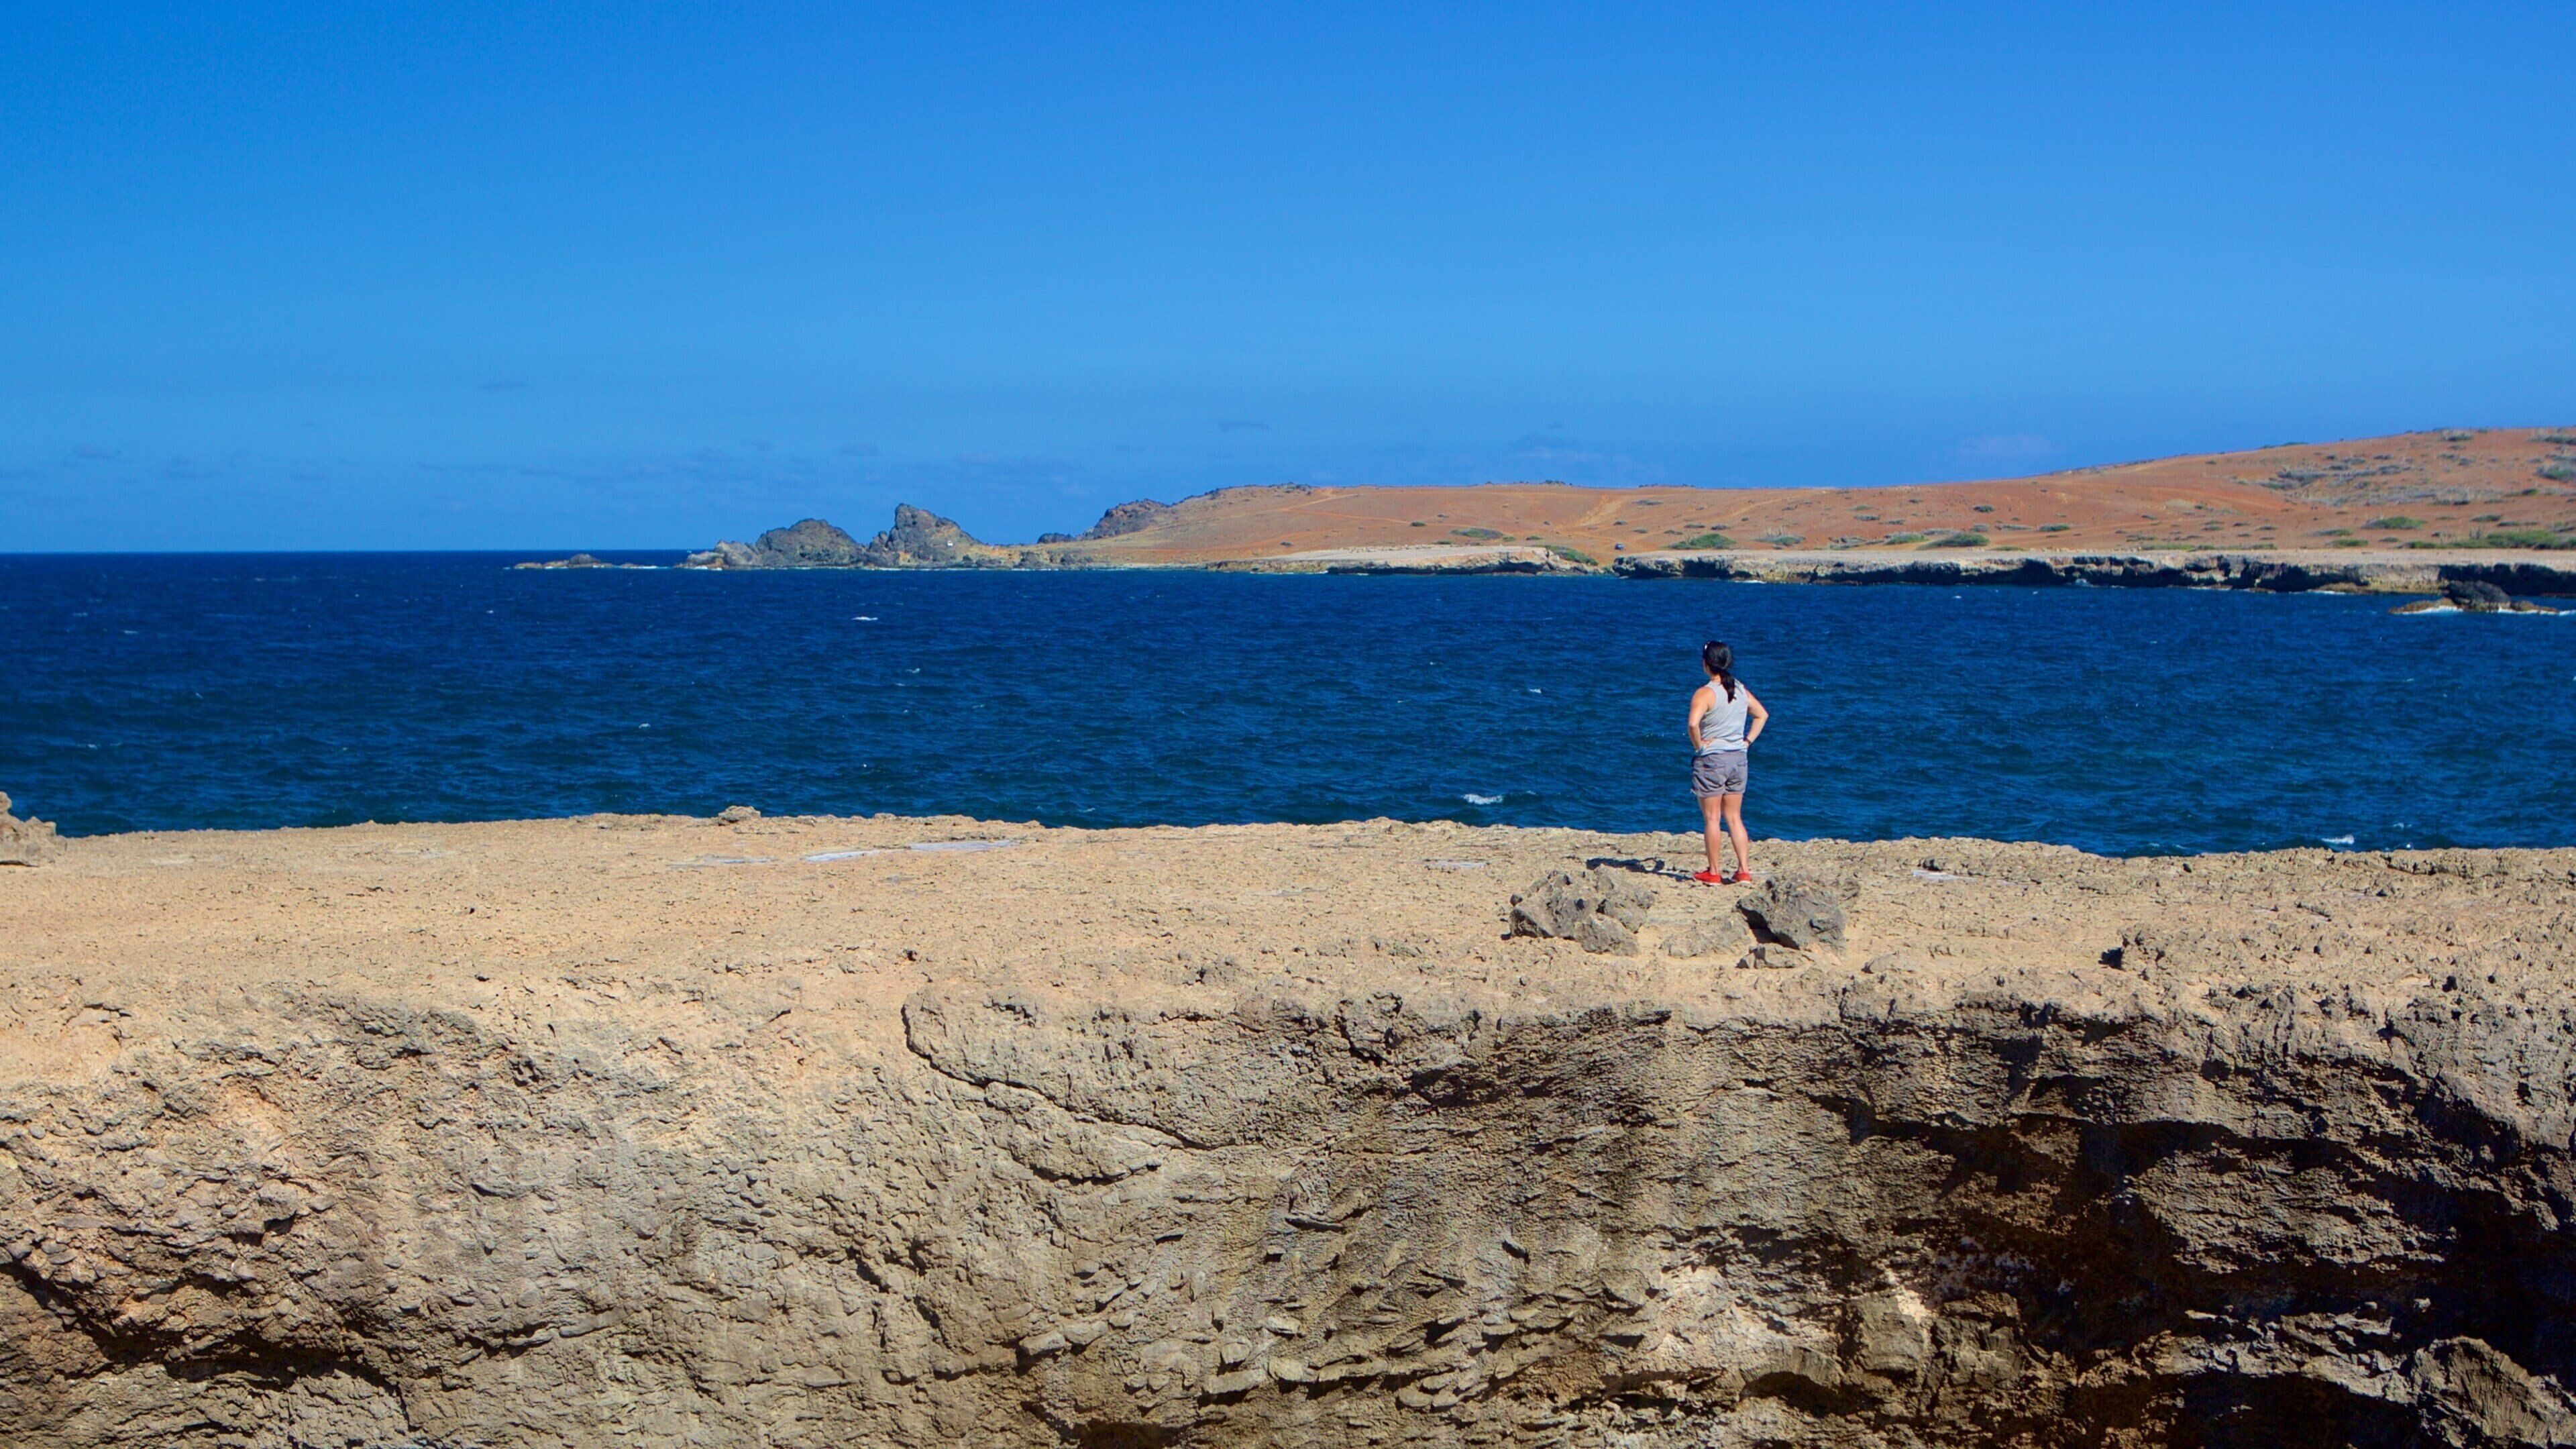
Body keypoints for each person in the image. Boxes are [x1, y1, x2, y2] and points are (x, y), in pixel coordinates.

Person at [1687, 641, 1767, 884]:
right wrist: (1747, 742)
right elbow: (1762, 714)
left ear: (1706, 663)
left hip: (1713, 760)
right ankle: (1743, 870)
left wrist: (1700, 746)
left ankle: (1713, 872)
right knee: (1734, 817)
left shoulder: (1705, 693)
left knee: (1712, 818)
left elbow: (1692, 724)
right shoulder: (1740, 689)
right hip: (1738, 759)